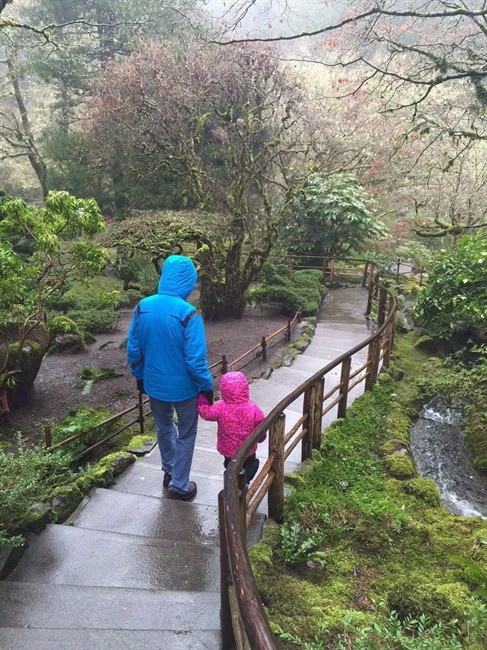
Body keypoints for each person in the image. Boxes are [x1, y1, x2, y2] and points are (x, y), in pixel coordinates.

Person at [127, 255, 213, 501]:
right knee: (186, 433)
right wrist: (207, 387)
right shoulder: (188, 313)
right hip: (185, 389)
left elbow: (133, 348)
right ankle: (180, 485)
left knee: (164, 427)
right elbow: (195, 360)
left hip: (153, 384)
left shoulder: (142, 306)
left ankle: (168, 472)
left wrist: (139, 376)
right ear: (188, 281)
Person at [197, 371, 266, 484]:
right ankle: (245, 481)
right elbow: (261, 425)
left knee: (230, 466)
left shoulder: (220, 407)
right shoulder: (253, 408)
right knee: (249, 465)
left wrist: (202, 400)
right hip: (248, 449)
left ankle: (232, 480)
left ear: (224, 389)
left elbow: (207, 414)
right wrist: (261, 438)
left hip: (229, 450)